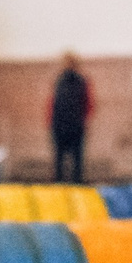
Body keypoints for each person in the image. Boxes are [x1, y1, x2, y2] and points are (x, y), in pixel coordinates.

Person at [48, 51, 93, 184]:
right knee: (60, 158)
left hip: (74, 125)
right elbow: (53, 103)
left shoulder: (81, 81)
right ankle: (60, 182)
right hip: (61, 125)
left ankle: (75, 182)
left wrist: (82, 120)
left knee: (76, 159)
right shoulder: (59, 81)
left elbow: (88, 103)